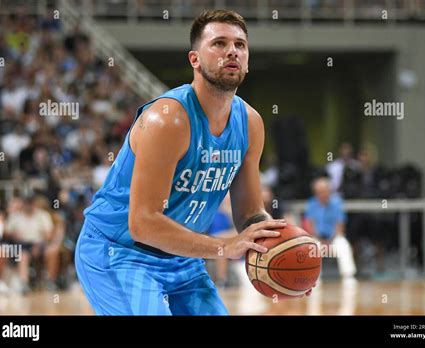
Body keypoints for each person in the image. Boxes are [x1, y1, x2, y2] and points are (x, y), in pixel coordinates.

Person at [75, 10, 311, 316]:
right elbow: (143, 223)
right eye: (219, 43)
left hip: (181, 258)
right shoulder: (167, 120)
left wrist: (287, 251)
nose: (232, 51)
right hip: (118, 251)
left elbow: (250, 214)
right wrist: (224, 248)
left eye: (240, 45)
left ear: (248, 60)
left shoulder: (250, 123)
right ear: (194, 59)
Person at [303, 177, 357, 283]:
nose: (322, 194)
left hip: (334, 237)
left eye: (324, 191)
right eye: (319, 192)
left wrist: (330, 241)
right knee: (313, 245)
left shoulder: (337, 203)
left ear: (329, 191)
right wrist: (320, 240)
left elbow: (340, 226)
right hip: (317, 237)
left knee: (343, 245)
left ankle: (348, 276)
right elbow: (310, 225)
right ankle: (314, 276)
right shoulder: (312, 203)